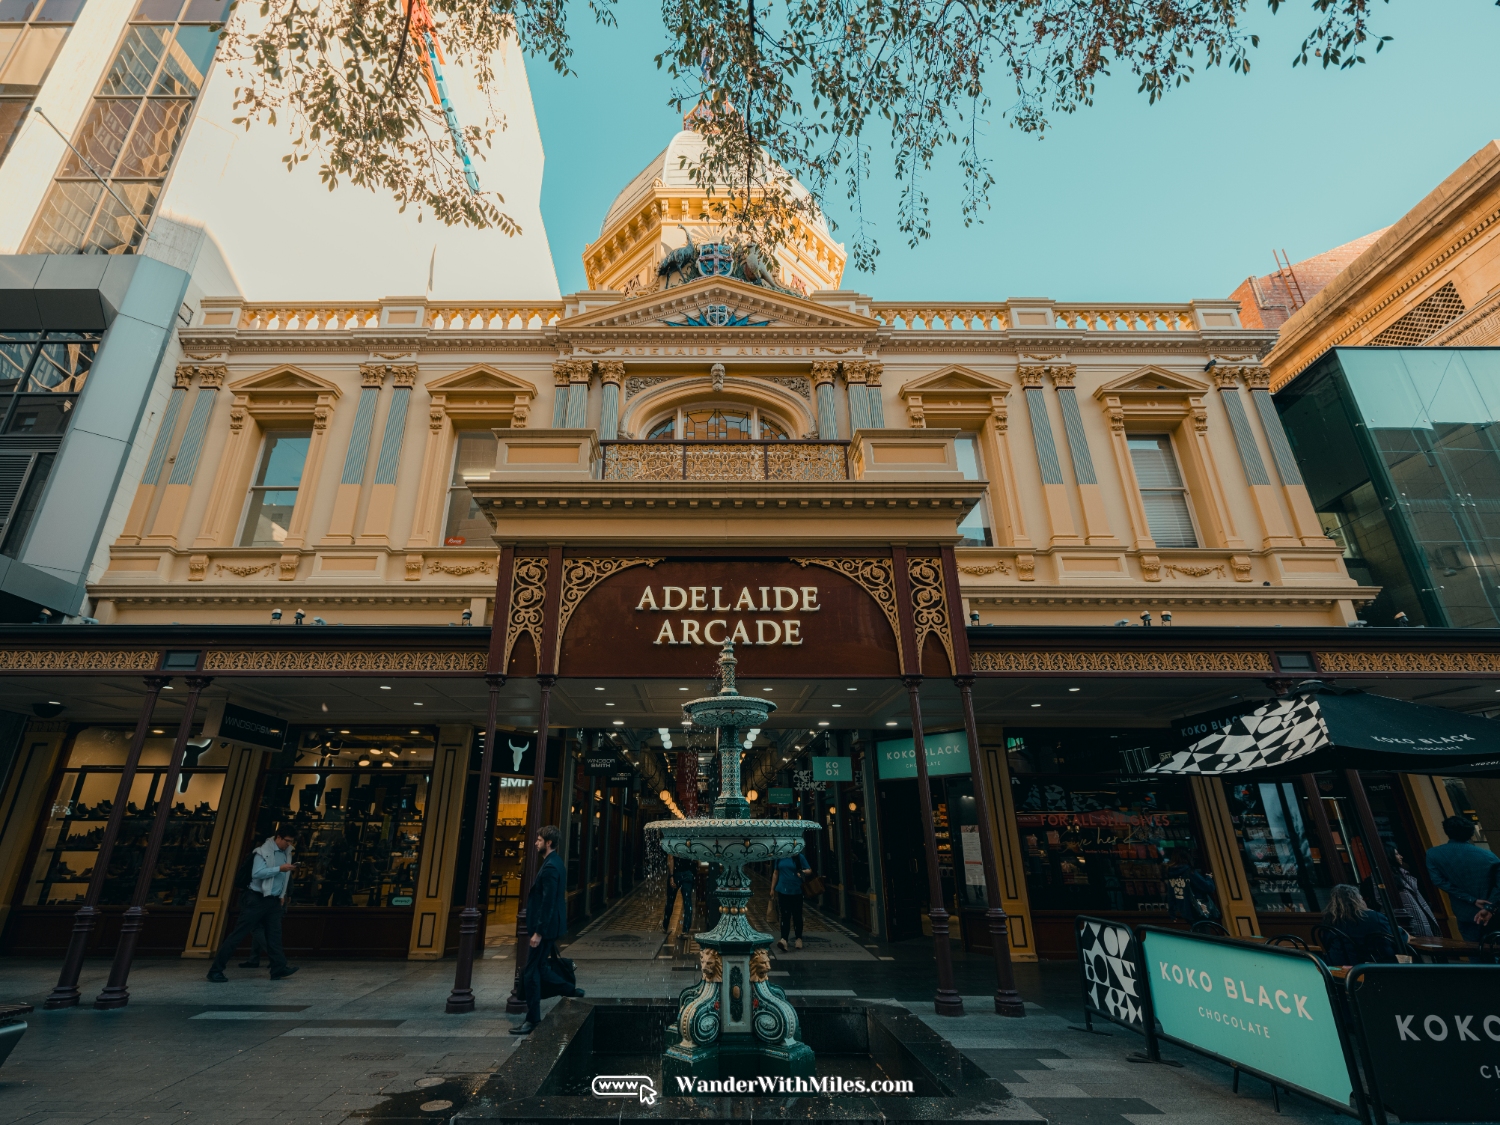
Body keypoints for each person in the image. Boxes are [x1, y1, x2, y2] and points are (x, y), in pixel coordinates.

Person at [511, 825, 582, 1036]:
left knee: (531, 973)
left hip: (545, 928)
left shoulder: (551, 867)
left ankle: (532, 1020)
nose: (536, 843)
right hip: (550, 926)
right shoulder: (555, 862)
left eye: (539, 840)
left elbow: (548, 902)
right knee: (539, 968)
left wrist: (538, 932)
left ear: (548, 843)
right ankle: (570, 989)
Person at [207, 829, 300, 981]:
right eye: (287, 841)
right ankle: (215, 970)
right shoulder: (262, 852)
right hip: (257, 899)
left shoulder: (287, 852)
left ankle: (278, 968)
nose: (288, 844)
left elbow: (284, 877)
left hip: (274, 900)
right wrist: (279, 869)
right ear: (278, 837)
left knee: (275, 936)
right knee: (239, 934)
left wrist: (282, 894)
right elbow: (257, 873)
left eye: (291, 842)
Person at [1425, 816, 1500, 942]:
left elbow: (1439, 881)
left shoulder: (1434, 854)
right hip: (1493, 913)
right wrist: (1489, 907)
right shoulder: (1488, 856)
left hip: (1465, 913)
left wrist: (1471, 899)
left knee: (1473, 952)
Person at [1360, 848, 1440, 937]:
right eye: (1397, 854)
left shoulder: (1402, 873)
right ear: (1389, 857)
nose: (1401, 857)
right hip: (1405, 919)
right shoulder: (1381, 875)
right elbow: (1380, 898)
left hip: (1417, 916)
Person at [1321, 884, 1404, 966]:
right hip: (1373, 967)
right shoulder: (1374, 918)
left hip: (1337, 964)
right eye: (1361, 898)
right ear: (1358, 900)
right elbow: (1401, 939)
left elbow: (1326, 943)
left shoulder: (1330, 920)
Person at [1164, 848, 1220, 925]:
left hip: (1184, 910)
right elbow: (1209, 887)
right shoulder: (1190, 872)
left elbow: (1171, 894)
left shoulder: (1171, 873)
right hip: (1197, 909)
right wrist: (1208, 877)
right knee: (1204, 933)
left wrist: (1172, 912)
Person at [773, 851, 812, 951]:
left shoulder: (799, 857)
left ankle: (798, 938)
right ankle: (784, 939)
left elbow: (809, 870)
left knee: (797, 915)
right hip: (783, 889)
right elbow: (776, 872)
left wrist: (803, 872)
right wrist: (772, 888)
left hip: (797, 890)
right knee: (785, 915)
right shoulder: (780, 856)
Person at [661, 854, 694, 933]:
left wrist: (671, 876)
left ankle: (665, 926)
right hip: (688, 873)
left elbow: (670, 857)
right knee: (687, 902)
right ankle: (685, 930)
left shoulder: (673, 842)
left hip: (676, 873)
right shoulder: (688, 842)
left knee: (670, 901)